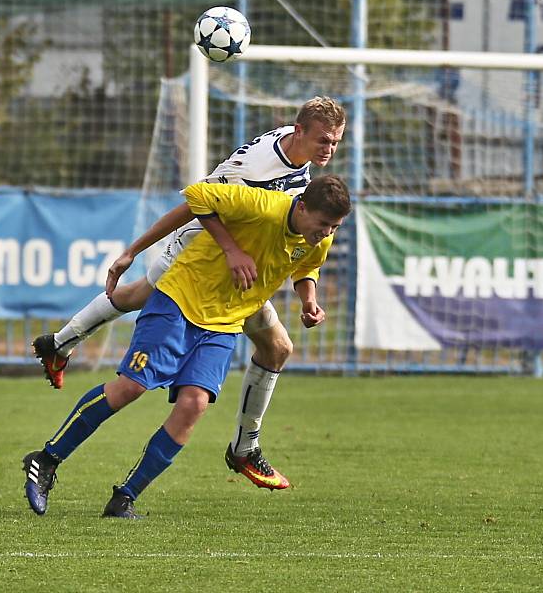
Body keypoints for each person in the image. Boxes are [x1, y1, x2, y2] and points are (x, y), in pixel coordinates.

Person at [31, 96, 346, 489]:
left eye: (335, 142)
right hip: (198, 254)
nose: (329, 150)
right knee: (145, 321)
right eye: (323, 141)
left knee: (138, 299)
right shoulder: (257, 168)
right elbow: (198, 201)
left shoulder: (298, 160)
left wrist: (307, 296)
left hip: (233, 267)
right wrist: (144, 250)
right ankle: (244, 448)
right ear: (299, 131)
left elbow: (304, 253)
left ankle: (58, 343)